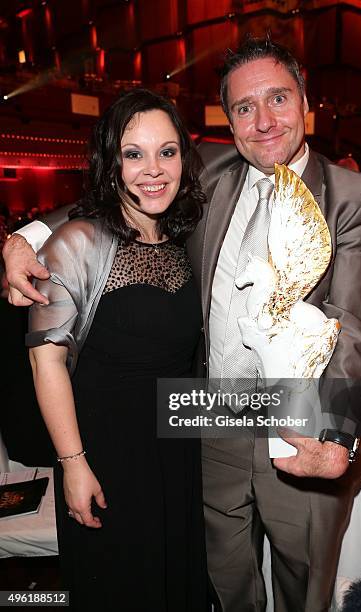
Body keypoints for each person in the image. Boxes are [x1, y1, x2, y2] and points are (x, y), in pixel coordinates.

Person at [2, 37, 361, 612]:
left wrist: (333, 433)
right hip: (204, 419)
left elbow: (353, 324)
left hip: (296, 427)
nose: (263, 122)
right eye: (243, 107)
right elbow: (114, 193)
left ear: (305, 99)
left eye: (278, 99)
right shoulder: (208, 169)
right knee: (219, 580)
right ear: (227, 120)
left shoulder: (356, 196)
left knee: (301, 586)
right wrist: (26, 237)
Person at [21, 89, 208, 611]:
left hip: (177, 454)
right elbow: (46, 360)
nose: (153, 169)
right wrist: (73, 465)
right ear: (111, 162)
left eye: (166, 152)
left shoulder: (181, 239)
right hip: (107, 459)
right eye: (134, 153)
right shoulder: (78, 241)